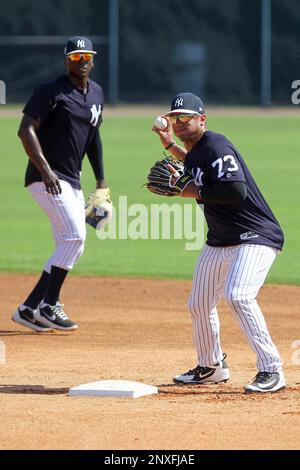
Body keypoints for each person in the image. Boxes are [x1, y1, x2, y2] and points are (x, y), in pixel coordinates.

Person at [152, 92, 285, 393]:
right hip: (221, 239)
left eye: (187, 117)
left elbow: (235, 191)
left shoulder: (216, 143)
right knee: (199, 303)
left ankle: (272, 369)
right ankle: (211, 367)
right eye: (176, 118)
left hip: (256, 235)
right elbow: (195, 165)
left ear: (202, 119)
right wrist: (168, 144)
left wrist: (189, 191)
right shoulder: (198, 150)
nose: (180, 122)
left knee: (238, 295)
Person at [13, 36, 111, 332]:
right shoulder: (50, 91)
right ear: (66, 61)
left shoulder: (96, 93)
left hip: (73, 179)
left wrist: (101, 181)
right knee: (74, 237)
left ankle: (30, 308)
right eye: (75, 57)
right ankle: (49, 303)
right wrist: (45, 170)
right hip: (46, 179)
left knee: (70, 245)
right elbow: (25, 130)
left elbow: (93, 138)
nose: (81, 62)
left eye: (86, 57)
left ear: (93, 61)